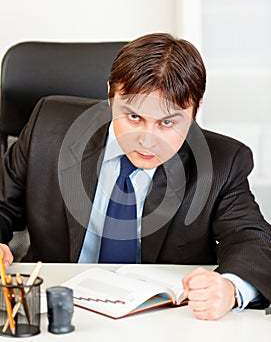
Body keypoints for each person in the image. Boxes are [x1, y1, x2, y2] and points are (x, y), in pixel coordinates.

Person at [0, 33, 271, 320]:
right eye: (133, 117)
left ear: (195, 110)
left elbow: (252, 239)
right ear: (110, 95)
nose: (147, 140)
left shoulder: (223, 162)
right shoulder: (48, 127)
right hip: (53, 306)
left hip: (162, 320)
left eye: (167, 122)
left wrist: (231, 288)